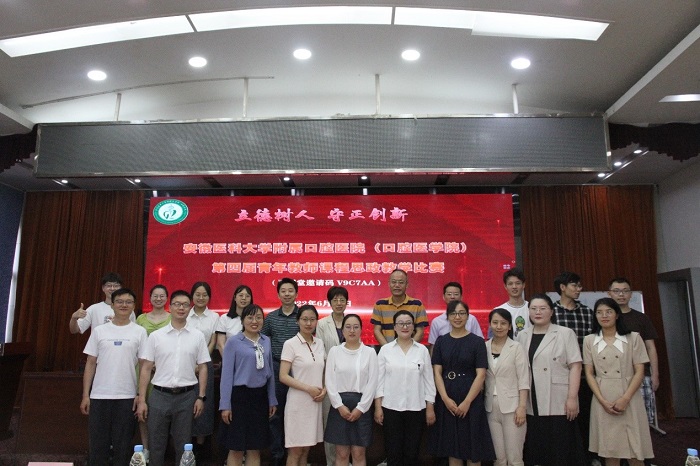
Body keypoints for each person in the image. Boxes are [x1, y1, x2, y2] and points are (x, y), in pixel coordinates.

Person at [136, 290, 211, 466]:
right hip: (159, 396)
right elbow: (145, 368)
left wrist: (201, 397)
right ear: (170, 307)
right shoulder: (156, 336)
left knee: (183, 446)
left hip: (186, 397)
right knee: (156, 444)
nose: (181, 308)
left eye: (185, 305)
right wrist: (142, 399)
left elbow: (203, 367)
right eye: (177, 304)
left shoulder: (197, 336)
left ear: (190, 308)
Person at [81, 288, 147, 466]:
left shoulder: (139, 332)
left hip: (127, 397)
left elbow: (144, 367)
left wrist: (141, 397)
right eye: (119, 301)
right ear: (112, 304)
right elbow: (90, 363)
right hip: (99, 396)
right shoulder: (100, 331)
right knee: (98, 448)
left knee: (123, 448)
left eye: (128, 302)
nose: (124, 305)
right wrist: (86, 395)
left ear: (134, 306)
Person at [584, 298, 654, 466]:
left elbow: (639, 371)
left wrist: (625, 398)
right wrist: (602, 400)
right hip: (603, 396)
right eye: (599, 312)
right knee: (610, 450)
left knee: (635, 450)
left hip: (629, 395)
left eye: (609, 312)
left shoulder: (633, 338)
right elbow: (589, 373)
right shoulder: (589, 340)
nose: (604, 316)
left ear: (617, 315)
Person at [516, 293, 584, 466]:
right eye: (533, 309)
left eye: (542, 308)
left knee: (560, 447)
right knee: (537, 447)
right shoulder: (523, 335)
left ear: (551, 311)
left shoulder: (565, 333)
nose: (538, 312)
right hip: (532, 397)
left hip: (558, 397)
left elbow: (576, 366)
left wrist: (572, 398)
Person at [431, 300, 494, 466]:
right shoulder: (441, 341)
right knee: (453, 449)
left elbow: (481, 374)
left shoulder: (477, 342)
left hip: (471, 396)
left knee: (473, 447)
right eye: (453, 313)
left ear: (468, 316)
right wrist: (445, 399)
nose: (457, 317)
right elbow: (437, 372)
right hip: (448, 396)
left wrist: (467, 402)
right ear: (448, 317)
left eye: (461, 313)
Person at [375, 310, 436, 466]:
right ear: (394, 327)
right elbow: (378, 381)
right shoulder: (386, 350)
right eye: (401, 324)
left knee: (412, 453)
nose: (405, 327)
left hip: (416, 408)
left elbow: (429, 381)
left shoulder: (422, 350)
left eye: (408, 323)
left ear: (413, 326)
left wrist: (430, 407)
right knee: (393, 452)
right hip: (391, 408)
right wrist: (378, 407)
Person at [219, 303, 277, 466]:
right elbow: (226, 375)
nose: (254, 321)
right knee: (236, 447)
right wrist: (225, 405)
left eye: (258, 317)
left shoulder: (266, 341)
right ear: (243, 320)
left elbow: (270, 373)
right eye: (250, 317)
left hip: (260, 398)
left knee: (255, 447)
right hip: (239, 397)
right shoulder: (233, 342)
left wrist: (272, 399)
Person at [552, 271, 596, 465]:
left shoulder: (587, 312)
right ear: (562, 287)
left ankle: (588, 457)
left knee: (586, 417)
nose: (579, 289)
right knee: (562, 419)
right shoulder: (551, 312)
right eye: (575, 285)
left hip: (585, 375)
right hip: (559, 376)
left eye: (579, 286)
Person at [324, 314, 378, 466]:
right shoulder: (335, 351)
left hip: (362, 406)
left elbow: (372, 382)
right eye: (348, 327)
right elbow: (330, 381)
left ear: (361, 329)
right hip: (339, 406)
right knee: (341, 453)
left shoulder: (369, 352)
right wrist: (339, 406)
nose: (352, 330)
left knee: (358, 453)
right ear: (342, 330)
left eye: (356, 327)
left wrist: (361, 408)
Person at [607, 278, 660, 425]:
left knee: (643, 419)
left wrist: (655, 374)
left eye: (625, 291)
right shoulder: (605, 319)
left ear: (631, 294)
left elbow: (651, 348)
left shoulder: (641, 318)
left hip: (641, 374)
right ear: (609, 294)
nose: (621, 294)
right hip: (613, 376)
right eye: (616, 291)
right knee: (618, 418)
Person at [261, 277, 302, 466]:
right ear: (278, 294)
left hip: (298, 370)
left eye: (290, 291)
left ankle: (295, 455)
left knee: (296, 414)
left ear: (296, 293)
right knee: (275, 413)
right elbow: (264, 343)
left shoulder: (302, 316)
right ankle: (277, 456)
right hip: (277, 368)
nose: (287, 294)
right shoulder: (271, 318)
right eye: (283, 291)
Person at [279, 304, 326, 466]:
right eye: (305, 319)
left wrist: (324, 390)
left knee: (306, 449)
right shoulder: (290, 344)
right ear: (297, 321)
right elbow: (283, 376)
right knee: (295, 450)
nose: (308, 323)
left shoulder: (320, 343)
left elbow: (323, 371)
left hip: (315, 403)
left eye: (312, 319)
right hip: (298, 403)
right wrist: (308, 389)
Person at [485, 308, 529, 466]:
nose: (499, 326)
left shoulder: (516, 347)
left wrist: (522, 407)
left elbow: (524, 379)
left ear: (510, 326)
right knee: (498, 458)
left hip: (513, 407)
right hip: (490, 407)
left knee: (514, 457)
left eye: (503, 323)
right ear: (490, 324)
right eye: (495, 322)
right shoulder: (484, 347)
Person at [135, 284, 171, 461]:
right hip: (144, 368)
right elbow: (137, 344)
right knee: (143, 409)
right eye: (155, 296)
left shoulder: (172, 318)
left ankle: (161, 451)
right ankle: (146, 448)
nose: (158, 299)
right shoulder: (141, 318)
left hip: (165, 369)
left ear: (167, 298)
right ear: (149, 298)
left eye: (162, 296)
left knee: (163, 412)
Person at [316, 286, 350, 466]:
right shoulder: (322, 324)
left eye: (342, 300)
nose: (339, 303)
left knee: (347, 422)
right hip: (328, 379)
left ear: (346, 302)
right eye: (335, 300)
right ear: (329, 302)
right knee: (329, 424)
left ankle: (345, 461)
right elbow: (320, 351)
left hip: (350, 381)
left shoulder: (351, 322)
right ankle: (331, 462)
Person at [187, 281, 219, 456]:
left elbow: (213, 341)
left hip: (205, 364)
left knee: (204, 403)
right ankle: (186, 444)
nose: (201, 298)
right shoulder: (185, 314)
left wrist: (201, 362)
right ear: (192, 296)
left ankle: (200, 445)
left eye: (204, 295)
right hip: (185, 364)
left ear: (209, 297)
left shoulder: (214, 317)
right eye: (197, 294)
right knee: (186, 402)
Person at [371, 269, 428, 346]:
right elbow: (377, 331)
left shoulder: (417, 305)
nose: (397, 285)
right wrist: (388, 349)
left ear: (407, 285)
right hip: (387, 350)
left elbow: (420, 332)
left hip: (410, 350)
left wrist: (408, 348)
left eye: (401, 282)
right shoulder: (379, 305)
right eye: (394, 282)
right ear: (389, 284)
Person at [429, 282, 484, 352]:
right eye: (449, 294)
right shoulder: (437, 321)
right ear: (443, 297)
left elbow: (480, 343)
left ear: (461, 297)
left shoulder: (471, 319)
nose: (452, 297)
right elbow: (433, 346)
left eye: (456, 294)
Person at [494, 268, 530, 339]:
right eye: (510, 284)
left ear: (523, 285)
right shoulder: (498, 311)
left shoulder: (532, 308)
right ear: (505, 286)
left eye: (518, 283)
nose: (514, 287)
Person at [215, 284, 251, 354]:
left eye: (247, 296)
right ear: (235, 298)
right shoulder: (224, 318)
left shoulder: (254, 319)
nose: (244, 298)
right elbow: (221, 344)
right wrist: (229, 359)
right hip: (229, 358)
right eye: (241, 295)